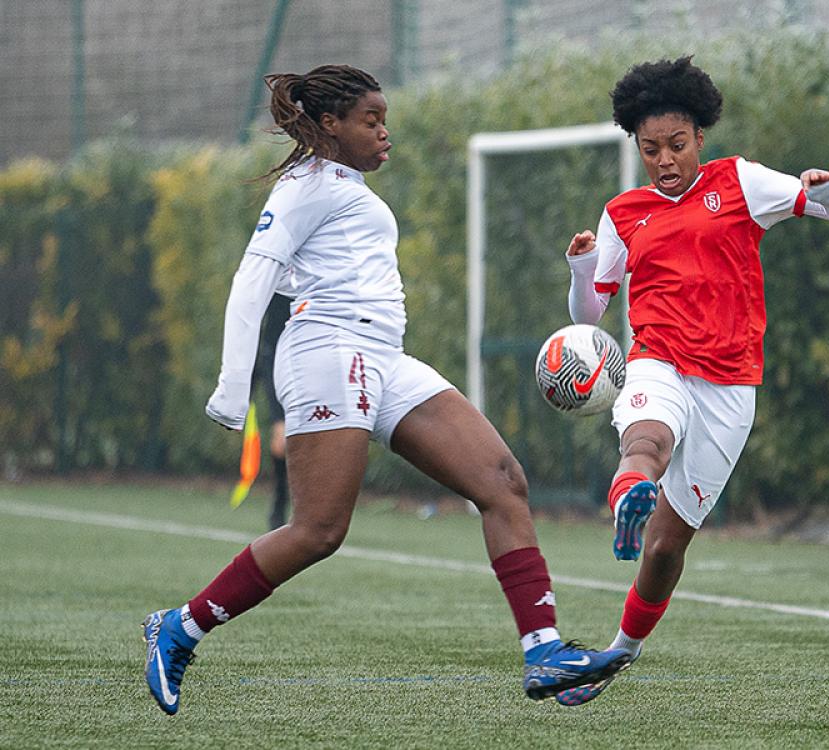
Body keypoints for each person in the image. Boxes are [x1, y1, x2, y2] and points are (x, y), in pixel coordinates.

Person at [141, 64, 632, 716]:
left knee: (503, 480)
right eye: (371, 120)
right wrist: (233, 388)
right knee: (319, 530)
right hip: (326, 351)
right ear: (329, 125)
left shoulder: (346, 186)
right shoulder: (305, 184)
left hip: (383, 356)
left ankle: (544, 653)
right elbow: (252, 279)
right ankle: (181, 627)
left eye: (385, 119)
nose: (385, 133)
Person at [553, 57, 829, 706]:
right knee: (645, 443)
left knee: (665, 551)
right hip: (657, 360)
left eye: (677, 145)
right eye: (650, 148)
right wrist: (582, 270)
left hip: (729, 386)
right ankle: (628, 498)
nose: (665, 160)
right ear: (636, 145)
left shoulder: (740, 182)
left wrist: (821, 190)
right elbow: (589, 316)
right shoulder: (622, 213)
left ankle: (617, 654)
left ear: (700, 138)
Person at [253, 293, 292, 530]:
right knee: (281, 440)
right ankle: (280, 503)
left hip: (310, 357)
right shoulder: (273, 265)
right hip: (275, 357)